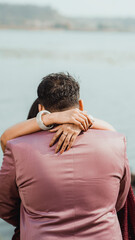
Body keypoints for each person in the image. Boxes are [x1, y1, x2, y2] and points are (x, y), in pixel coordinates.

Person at [0, 73, 130, 240]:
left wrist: (31, 219)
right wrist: (80, 120)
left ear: (40, 109)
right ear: (81, 106)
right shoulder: (116, 142)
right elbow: (119, 200)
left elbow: (4, 206)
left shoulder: (18, 148)